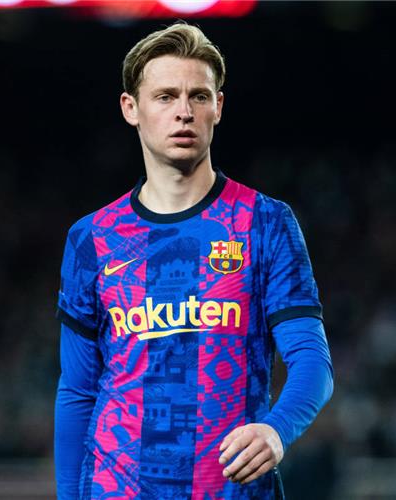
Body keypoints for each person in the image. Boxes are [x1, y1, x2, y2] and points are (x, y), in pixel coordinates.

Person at [54, 22, 333, 499]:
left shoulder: (264, 222)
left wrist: (277, 429)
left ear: (218, 107)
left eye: (198, 96)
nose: (184, 112)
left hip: (231, 490)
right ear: (131, 108)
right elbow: (77, 392)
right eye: (165, 96)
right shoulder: (92, 238)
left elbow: (312, 363)